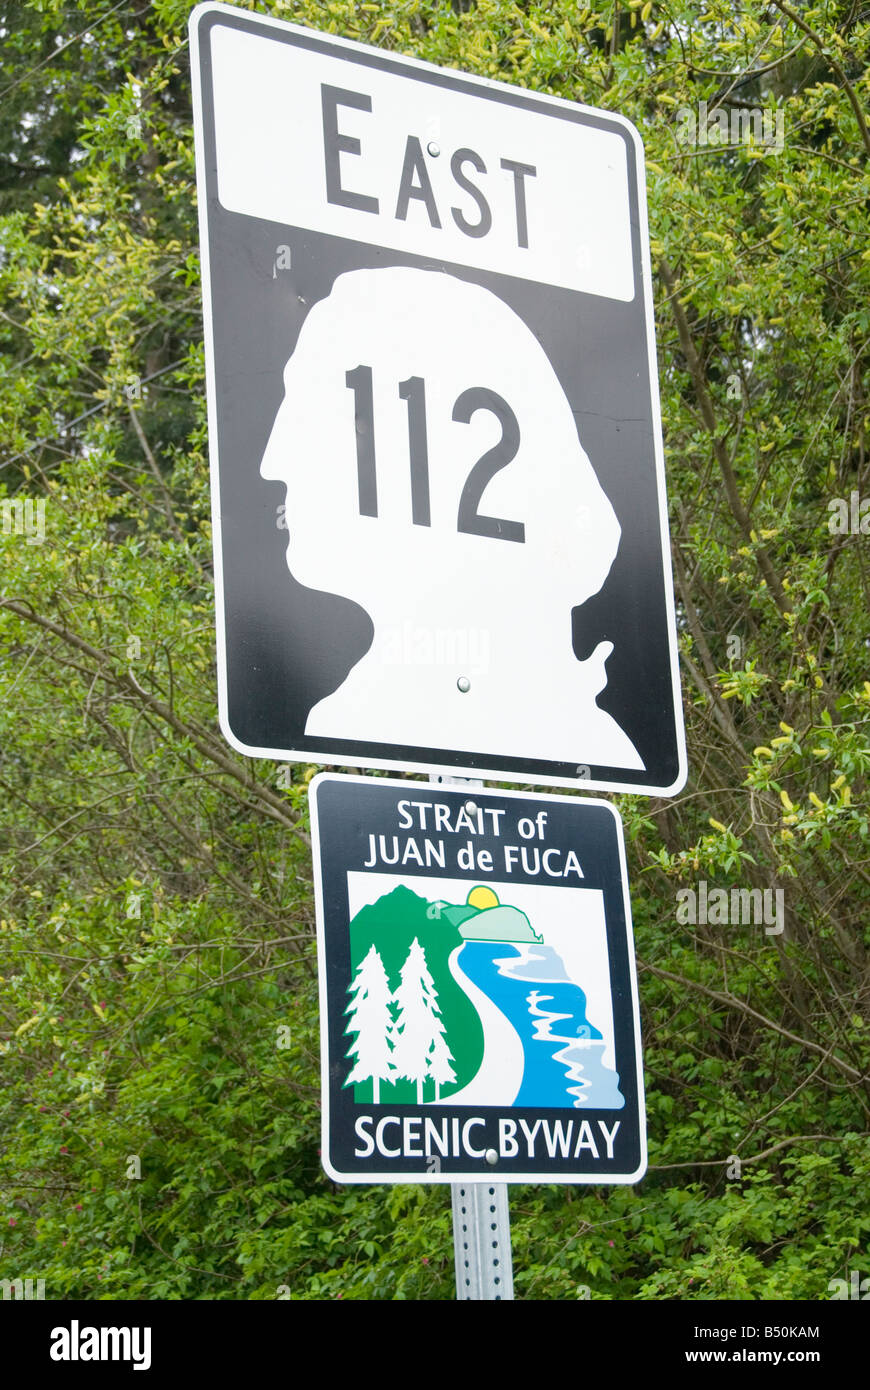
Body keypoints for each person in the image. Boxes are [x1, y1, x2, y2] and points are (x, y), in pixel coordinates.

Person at [259, 265, 644, 770]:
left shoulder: (583, 742)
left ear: (469, 439)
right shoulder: (352, 716)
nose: (272, 460)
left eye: (309, 410)